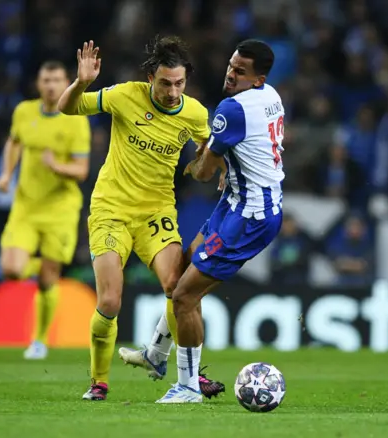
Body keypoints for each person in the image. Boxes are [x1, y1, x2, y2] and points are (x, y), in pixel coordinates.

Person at [58, 36, 225, 401]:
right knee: (111, 302)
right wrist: (81, 82)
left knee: (178, 287)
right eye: (165, 83)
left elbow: (209, 152)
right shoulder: (124, 95)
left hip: (157, 211)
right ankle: (99, 381)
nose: (172, 91)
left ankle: (183, 372)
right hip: (111, 209)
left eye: (179, 83)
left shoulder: (195, 113)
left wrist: (216, 164)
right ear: (151, 77)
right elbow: (67, 107)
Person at [156, 39, 285, 403]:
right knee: (183, 266)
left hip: (249, 216)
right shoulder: (272, 96)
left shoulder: (232, 109)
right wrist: (226, 163)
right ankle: (155, 352)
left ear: (258, 79)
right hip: (240, 201)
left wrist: (198, 160)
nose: (231, 74)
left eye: (241, 71)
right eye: (231, 65)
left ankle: (188, 386)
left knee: (184, 295)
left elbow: (200, 174)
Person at [0, 61, 91, 360]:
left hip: (60, 208)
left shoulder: (76, 118)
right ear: (39, 84)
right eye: (46, 79)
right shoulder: (24, 111)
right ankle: (42, 268)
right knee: (11, 269)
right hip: (26, 204)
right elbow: (13, 143)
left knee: (49, 281)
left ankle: (38, 341)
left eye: (57, 80)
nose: (51, 85)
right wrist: (6, 173)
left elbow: (81, 169)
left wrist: (57, 166)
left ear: (66, 83)